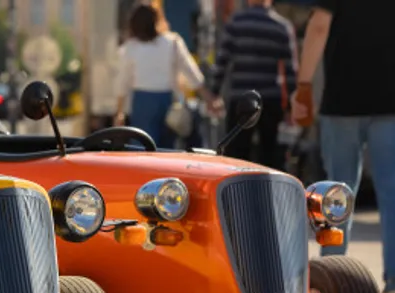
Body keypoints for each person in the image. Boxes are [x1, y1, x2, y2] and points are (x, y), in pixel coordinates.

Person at [292, 0, 395, 293]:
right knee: (394, 189)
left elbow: (318, 27)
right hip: (392, 103)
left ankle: (333, 273)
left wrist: (303, 85)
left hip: (343, 103)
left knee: (338, 191)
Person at [210, 0, 299, 170]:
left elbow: (222, 61)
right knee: (269, 155)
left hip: (241, 100)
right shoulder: (282, 26)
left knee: (236, 156)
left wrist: (214, 93)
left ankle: (236, 194)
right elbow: (290, 71)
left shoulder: (235, 23)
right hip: (270, 100)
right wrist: (289, 107)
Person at [112, 2, 212, 148]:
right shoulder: (172, 42)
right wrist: (209, 98)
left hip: (142, 103)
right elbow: (192, 73)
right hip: (168, 101)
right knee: (166, 150)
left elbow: (122, 83)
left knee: (141, 148)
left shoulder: (130, 48)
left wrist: (119, 112)